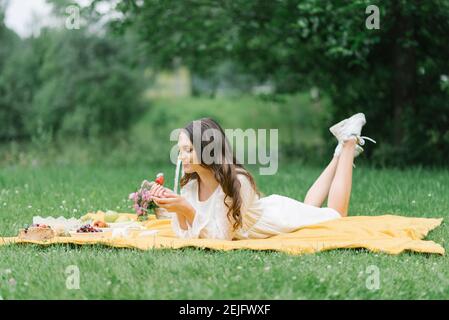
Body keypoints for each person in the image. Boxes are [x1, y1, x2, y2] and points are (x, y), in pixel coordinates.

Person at [150, 115, 375, 240]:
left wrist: (185, 209)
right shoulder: (191, 184)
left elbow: (220, 239)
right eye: (180, 150)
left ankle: (349, 141)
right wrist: (175, 208)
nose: (182, 156)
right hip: (271, 208)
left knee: (336, 215)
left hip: (275, 218)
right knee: (310, 208)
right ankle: (339, 152)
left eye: (189, 150)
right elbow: (186, 235)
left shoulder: (237, 182)